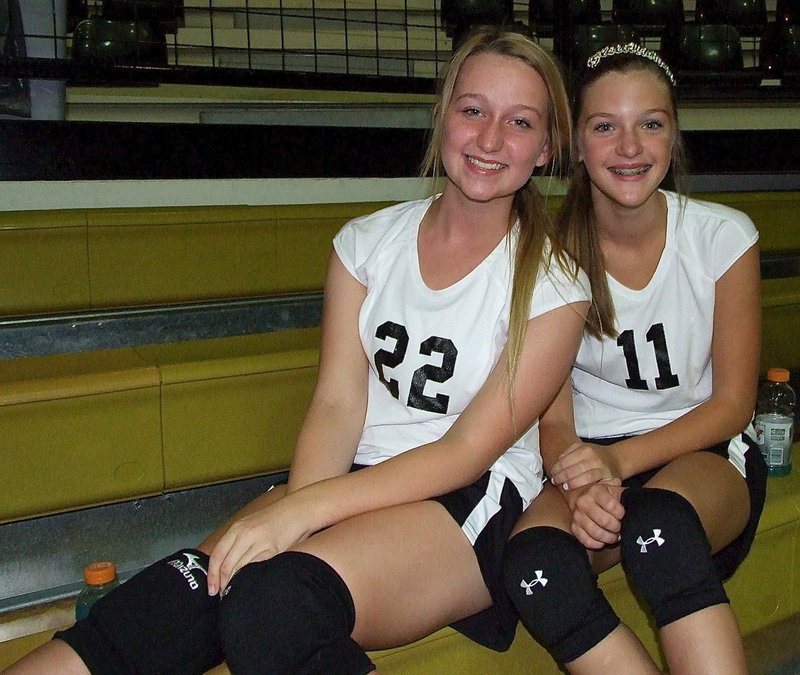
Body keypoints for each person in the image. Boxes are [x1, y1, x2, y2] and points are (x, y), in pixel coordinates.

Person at [4, 29, 591, 675]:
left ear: (545, 149)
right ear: (442, 115)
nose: (487, 138)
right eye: (472, 109)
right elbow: (338, 405)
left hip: (472, 500)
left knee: (275, 600)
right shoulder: (365, 246)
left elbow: (465, 452)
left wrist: (301, 511)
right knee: (176, 595)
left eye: (519, 122)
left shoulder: (555, 285)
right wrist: (297, 509)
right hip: (356, 479)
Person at [502, 43, 767, 674]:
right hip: (588, 460)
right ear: (577, 146)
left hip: (702, 452)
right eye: (605, 126)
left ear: (673, 139)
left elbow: (732, 405)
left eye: (650, 124)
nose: (629, 147)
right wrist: (582, 476)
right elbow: (554, 417)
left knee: (661, 529)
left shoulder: (721, 237)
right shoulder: (545, 255)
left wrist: (616, 463)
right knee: (534, 563)